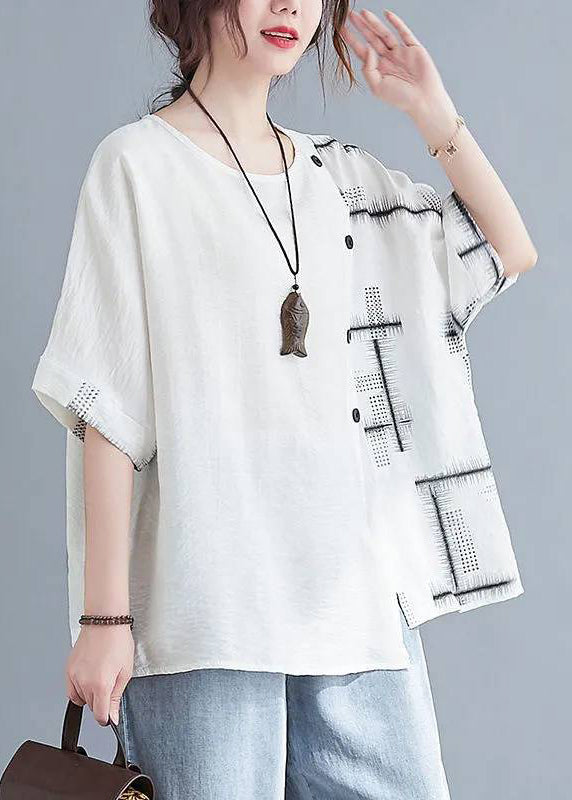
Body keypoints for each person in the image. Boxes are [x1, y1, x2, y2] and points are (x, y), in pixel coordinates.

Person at [30, 1, 537, 797]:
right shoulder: (138, 167)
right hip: (205, 620)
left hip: (355, 611)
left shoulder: (339, 179)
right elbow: (108, 405)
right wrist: (104, 620)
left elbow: (505, 249)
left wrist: (431, 110)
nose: (290, 7)